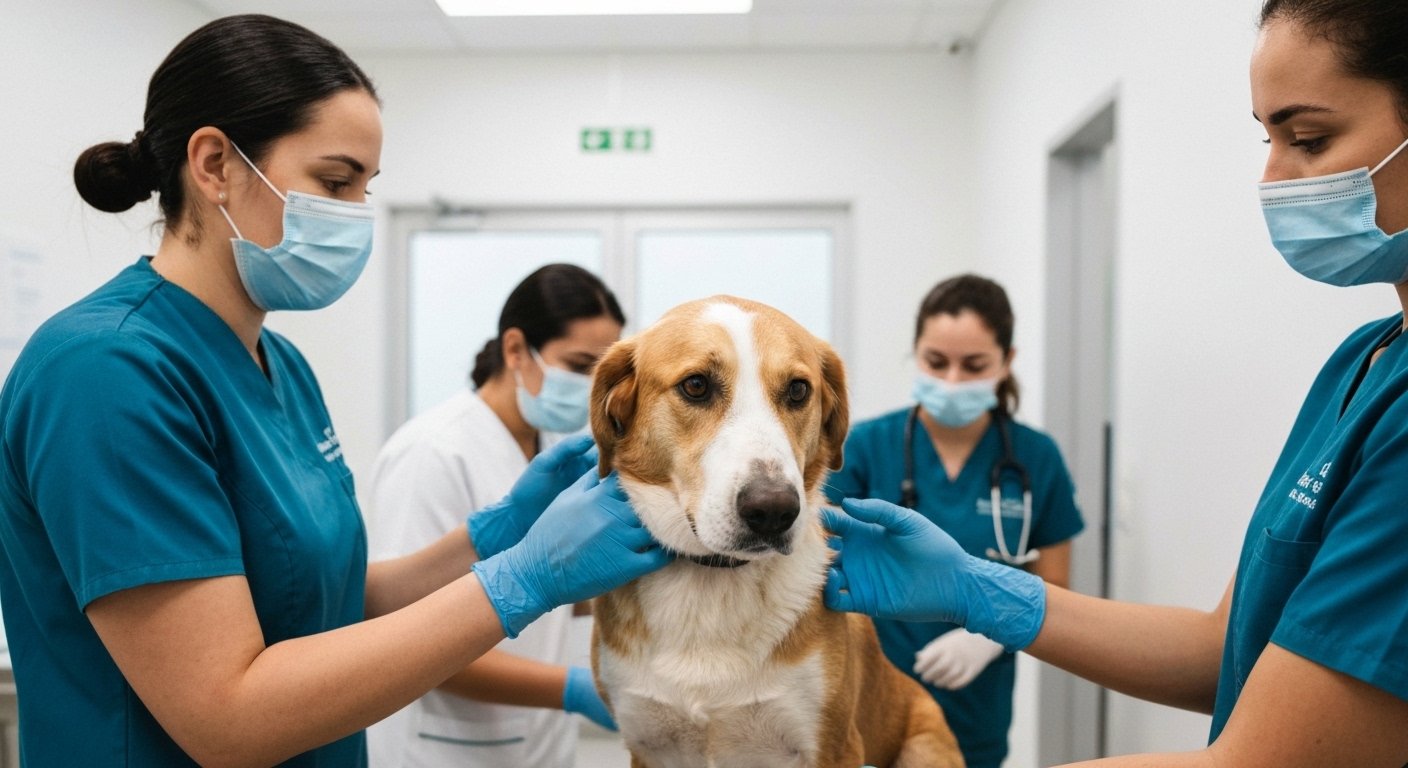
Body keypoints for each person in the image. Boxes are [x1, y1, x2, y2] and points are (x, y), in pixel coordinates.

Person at [0, 15, 667, 767]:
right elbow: (227, 717)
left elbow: (325, 601)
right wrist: (525, 578)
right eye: (334, 181)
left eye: (364, 189)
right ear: (215, 163)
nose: (354, 216)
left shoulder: (278, 364)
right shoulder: (105, 371)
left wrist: (496, 534)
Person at [821, 1, 1408, 765]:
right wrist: (978, 589)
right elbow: (1221, 649)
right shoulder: (1362, 363)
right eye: (1266, 139)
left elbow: (1254, 760)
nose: (1269, 179)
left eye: (1307, 139)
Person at [366, 263, 625, 766]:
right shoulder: (433, 451)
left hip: (540, 746)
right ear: (514, 350)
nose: (594, 386)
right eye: (579, 365)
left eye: (605, 371)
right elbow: (406, 636)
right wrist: (573, 688)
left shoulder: (560, 452)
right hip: (447, 749)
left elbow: (554, 587)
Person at [824, 274, 1084, 768]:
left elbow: (1056, 584)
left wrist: (987, 636)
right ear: (915, 354)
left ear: (1007, 361)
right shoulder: (862, 446)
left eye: (974, 365)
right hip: (873, 702)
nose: (952, 382)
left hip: (975, 709)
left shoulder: (1035, 457)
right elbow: (817, 557)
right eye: (936, 362)